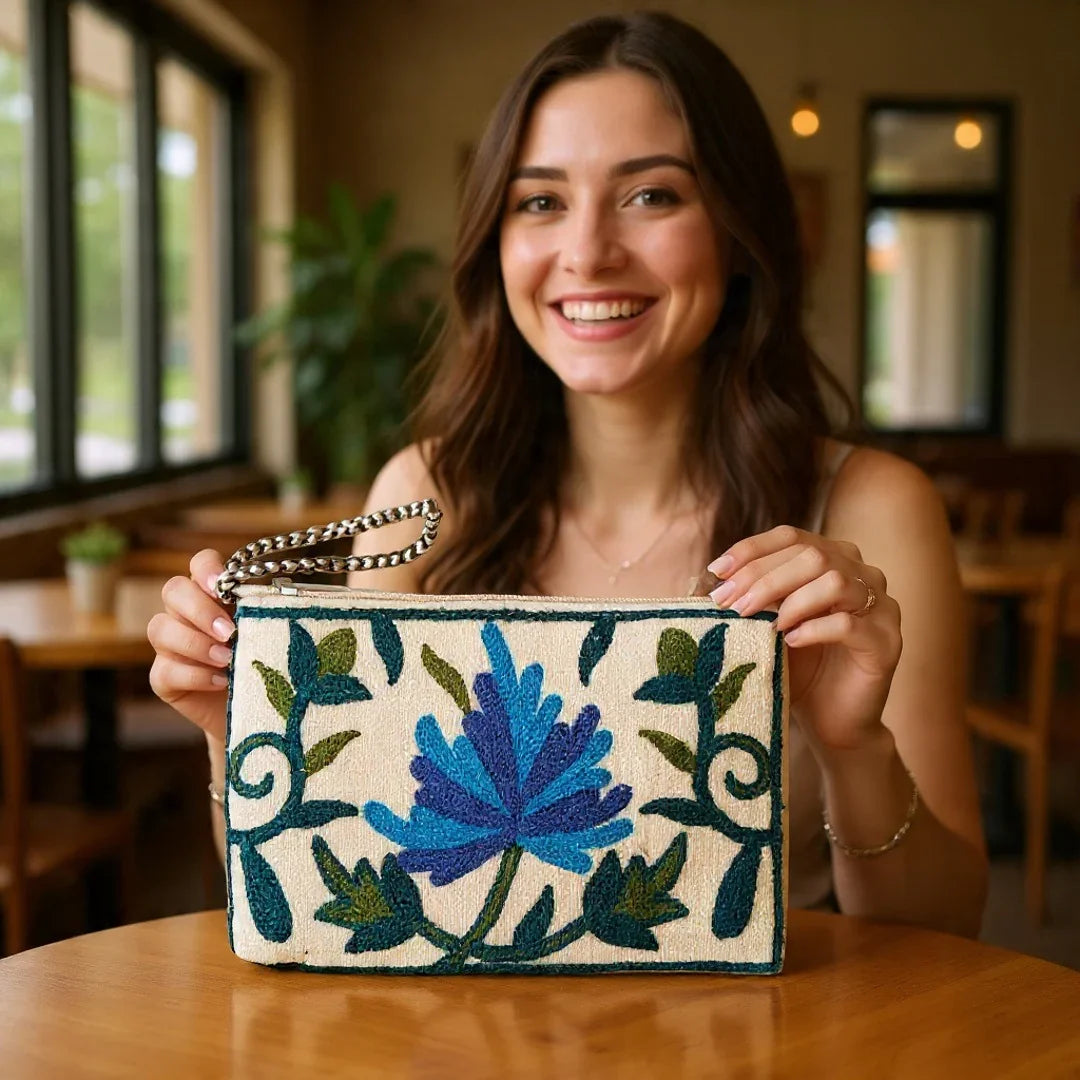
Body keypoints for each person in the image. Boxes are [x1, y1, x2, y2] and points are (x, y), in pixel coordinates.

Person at [148, 11, 987, 936]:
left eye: (652, 196)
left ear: (739, 230)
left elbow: (947, 934)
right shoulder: (424, 497)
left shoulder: (872, 511)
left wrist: (852, 745)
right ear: (495, 242)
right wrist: (241, 732)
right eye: (540, 201)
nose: (587, 252)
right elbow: (336, 894)